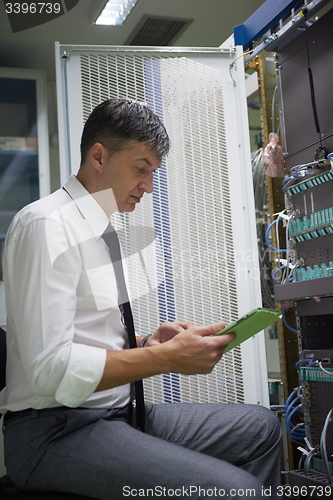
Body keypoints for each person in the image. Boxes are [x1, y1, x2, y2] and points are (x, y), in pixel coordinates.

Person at [0, 98, 281, 499]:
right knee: (237, 489)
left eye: (153, 173)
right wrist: (165, 359)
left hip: (114, 413)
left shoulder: (99, 228)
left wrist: (148, 344)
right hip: (53, 431)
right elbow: (51, 371)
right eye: (141, 169)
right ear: (99, 156)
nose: (148, 186)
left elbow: (83, 342)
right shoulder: (47, 225)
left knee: (262, 427)